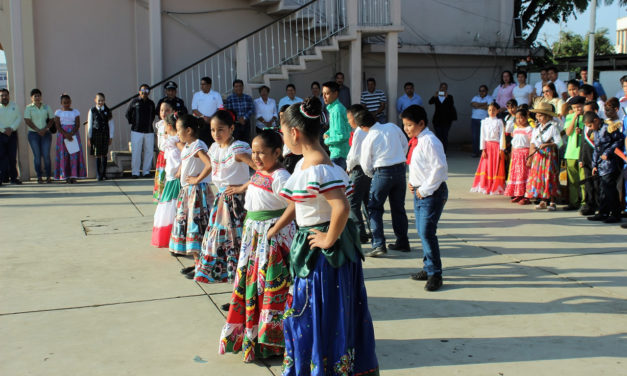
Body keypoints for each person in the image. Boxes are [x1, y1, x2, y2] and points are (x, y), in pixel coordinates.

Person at [269, 97, 379, 376]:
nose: (283, 136)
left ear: (294, 132)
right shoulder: (312, 164)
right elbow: (298, 203)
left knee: (316, 313)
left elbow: (340, 206)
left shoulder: (317, 167)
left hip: (323, 255)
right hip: (321, 248)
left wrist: (329, 239)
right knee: (324, 314)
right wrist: (278, 226)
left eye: (283, 131)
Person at [219, 130, 295, 363]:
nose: (257, 157)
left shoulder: (281, 176)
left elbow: (294, 205)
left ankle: (273, 343)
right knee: (253, 288)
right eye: (254, 152)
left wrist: (274, 229)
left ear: (277, 152)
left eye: (261, 152)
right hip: (255, 239)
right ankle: (255, 337)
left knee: (271, 291)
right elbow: (254, 186)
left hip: (273, 240)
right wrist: (240, 188)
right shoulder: (261, 172)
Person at [195, 110, 256, 284]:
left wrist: (243, 187)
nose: (216, 134)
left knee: (236, 243)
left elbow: (261, 170)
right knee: (221, 242)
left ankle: (240, 289)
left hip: (236, 202)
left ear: (231, 128)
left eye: (220, 129)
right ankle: (233, 286)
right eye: (213, 130)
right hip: (221, 201)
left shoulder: (237, 149)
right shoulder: (215, 147)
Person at [401, 105, 448, 291]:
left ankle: (435, 274)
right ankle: (428, 268)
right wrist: (413, 182)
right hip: (420, 192)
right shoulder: (417, 140)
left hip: (432, 193)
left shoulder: (430, 141)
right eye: (404, 125)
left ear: (421, 123)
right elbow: (419, 167)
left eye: (410, 125)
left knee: (428, 233)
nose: (406, 129)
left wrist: (425, 189)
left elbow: (439, 168)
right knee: (422, 232)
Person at [357, 106, 409, 257]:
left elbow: (365, 163)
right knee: (398, 208)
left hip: (382, 172)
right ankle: (402, 241)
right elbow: (405, 143)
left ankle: (379, 244)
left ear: (363, 127)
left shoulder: (369, 137)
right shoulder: (392, 126)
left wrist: (373, 174)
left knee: (374, 208)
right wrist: (399, 157)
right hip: (400, 170)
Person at [170, 114, 214, 274]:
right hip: (187, 191)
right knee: (190, 227)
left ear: (188, 130)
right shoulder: (189, 145)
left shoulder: (197, 145)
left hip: (195, 193)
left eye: (178, 130)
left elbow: (209, 164)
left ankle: (202, 265)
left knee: (197, 228)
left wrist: (197, 179)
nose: (177, 134)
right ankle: (197, 263)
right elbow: (186, 158)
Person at [588, 100, 625, 223]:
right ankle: (603, 212)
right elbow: (596, 150)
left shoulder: (608, 128)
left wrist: (607, 153)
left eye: (590, 125)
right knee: (602, 189)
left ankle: (615, 214)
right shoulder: (596, 131)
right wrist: (594, 165)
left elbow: (619, 141)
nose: (589, 128)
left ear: (596, 120)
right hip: (601, 164)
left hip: (611, 163)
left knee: (610, 189)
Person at [151, 113, 183, 248]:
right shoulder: (173, 139)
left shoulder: (175, 140)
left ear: (169, 126)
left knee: (172, 208)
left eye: (165, 126)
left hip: (175, 179)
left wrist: (181, 168)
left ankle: (173, 237)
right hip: (172, 177)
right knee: (170, 207)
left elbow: (186, 153)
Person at [525, 102, 563, 211]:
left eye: (541, 115)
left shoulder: (552, 127)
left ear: (548, 116)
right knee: (540, 177)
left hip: (549, 155)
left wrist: (548, 144)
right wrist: (530, 156)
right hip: (538, 155)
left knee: (549, 176)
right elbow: (533, 142)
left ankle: (552, 201)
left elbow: (559, 142)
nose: (538, 117)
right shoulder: (537, 128)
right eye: (537, 115)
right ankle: (543, 200)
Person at [346, 104, 372, 244]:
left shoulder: (359, 132)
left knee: (353, 201)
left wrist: (348, 167)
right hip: (367, 170)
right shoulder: (366, 131)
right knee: (366, 202)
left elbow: (355, 156)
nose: (348, 122)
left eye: (349, 118)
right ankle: (373, 231)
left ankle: (360, 233)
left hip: (359, 169)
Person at [470, 102, 506, 195]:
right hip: (487, 146)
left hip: (496, 146)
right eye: (489, 110)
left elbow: (502, 135)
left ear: (497, 111)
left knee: (496, 165)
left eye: (494, 110)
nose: (491, 111)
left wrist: (502, 149)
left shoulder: (499, 122)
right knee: (486, 166)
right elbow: (482, 136)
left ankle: (495, 185)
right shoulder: (484, 121)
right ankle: (485, 185)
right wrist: (483, 149)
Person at [24, 88, 54, 184]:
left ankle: (48, 176)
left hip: (46, 133)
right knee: (37, 156)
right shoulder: (29, 108)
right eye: (35, 96)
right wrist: (37, 130)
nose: (37, 97)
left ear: (41, 97)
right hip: (33, 134)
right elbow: (27, 120)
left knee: (46, 155)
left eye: (38, 95)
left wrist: (45, 129)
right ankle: (39, 176)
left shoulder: (46, 107)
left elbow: (51, 119)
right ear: (31, 98)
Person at [54, 94, 87, 183]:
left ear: (71, 102)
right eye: (64, 103)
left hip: (74, 135)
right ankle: (66, 176)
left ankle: (74, 176)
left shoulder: (75, 112)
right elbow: (57, 125)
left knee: (74, 155)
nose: (66, 104)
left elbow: (77, 124)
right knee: (64, 155)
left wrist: (71, 134)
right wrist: (65, 134)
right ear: (61, 103)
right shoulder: (58, 113)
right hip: (62, 136)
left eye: (68, 102)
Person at [125, 84, 156, 178]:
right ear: (139, 92)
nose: (144, 93)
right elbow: (127, 114)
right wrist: (133, 122)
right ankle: (135, 172)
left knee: (149, 151)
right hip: (136, 131)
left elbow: (153, 115)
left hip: (149, 131)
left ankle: (146, 171)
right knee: (136, 152)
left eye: (147, 91)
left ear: (149, 92)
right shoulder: (134, 102)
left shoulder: (151, 103)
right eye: (142, 90)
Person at [504, 107, 533, 204]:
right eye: (517, 118)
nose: (519, 120)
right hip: (516, 155)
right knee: (516, 175)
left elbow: (532, 144)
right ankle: (518, 194)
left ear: (526, 117)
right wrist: (512, 155)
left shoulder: (529, 129)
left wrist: (530, 157)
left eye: (521, 118)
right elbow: (513, 144)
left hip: (525, 154)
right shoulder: (516, 130)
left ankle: (526, 196)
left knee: (524, 175)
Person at [562, 96, 586, 211]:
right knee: (572, 180)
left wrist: (581, 131)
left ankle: (584, 202)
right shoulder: (570, 117)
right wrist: (574, 117)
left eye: (579, 107)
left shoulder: (587, 117)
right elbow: (568, 132)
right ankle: (574, 201)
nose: (578, 109)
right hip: (571, 152)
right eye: (575, 107)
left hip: (582, 153)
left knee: (583, 179)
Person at [322, 81, 351, 170]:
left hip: (339, 154)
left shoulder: (337, 110)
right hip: (338, 153)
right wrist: (327, 132)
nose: (324, 97)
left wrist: (327, 140)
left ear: (335, 94)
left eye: (327, 93)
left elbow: (341, 136)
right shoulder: (335, 108)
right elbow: (335, 129)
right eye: (323, 94)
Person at [579, 101, 600, 216]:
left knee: (597, 184)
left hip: (596, 159)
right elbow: (583, 143)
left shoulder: (598, 125)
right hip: (586, 158)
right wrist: (580, 158)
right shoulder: (585, 125)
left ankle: (599, 206)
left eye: (588, 111)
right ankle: (589, 205)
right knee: (588, 183)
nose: (585, 113)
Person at [87, 93, 114, 181]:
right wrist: (90, 137)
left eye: (102, 100)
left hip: (105, 134)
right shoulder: (92, 110)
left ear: (104, 101)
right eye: (99, 100)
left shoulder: (107, 111)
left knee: (104, 154)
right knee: (97, 154)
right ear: (95, 100)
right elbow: (90, 124)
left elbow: (111, 124)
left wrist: (111, 136)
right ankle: (98, 174)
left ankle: (104, 174)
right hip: (96, 135)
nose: (100, 102)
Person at [191, 76, 223, 146]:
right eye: (201, 84)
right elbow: (194, 109)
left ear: (209, 85)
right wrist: (204, 117)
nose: (201, 86)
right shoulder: (197, 95)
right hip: (200, 123)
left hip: (213, 122)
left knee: (213, 142)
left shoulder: (216, 95)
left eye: (204, 84)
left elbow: (220, 108)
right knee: (201, 143)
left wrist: (212, 118)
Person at [0, 89, 22, 185]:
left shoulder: (14, 106)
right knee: (1, 157)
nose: (4, 97)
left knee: (12, 157)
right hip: (1, 134)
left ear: (9, 96)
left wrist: (11, 128)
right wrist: (3, 130)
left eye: (6, 95)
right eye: (2, 95)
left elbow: (19, 118)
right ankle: (2, 178)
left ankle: (14, 178)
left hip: (12, 134)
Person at [428, 82, 457, 153]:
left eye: (445, 88)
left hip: (447, 120)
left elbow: (451, 104)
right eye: (442, 87)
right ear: (439, 88)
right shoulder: (437, 97)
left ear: (446, 89)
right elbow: (430, 102)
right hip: (437, 120)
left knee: (445, 136)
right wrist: (434, 96)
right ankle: (438, 151)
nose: (443, 89)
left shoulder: (450, 97)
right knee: (438, 136)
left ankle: (444, 151)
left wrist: (446, 97)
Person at [153, 102, 173, 200]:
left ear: (172, 111)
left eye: (167, 110)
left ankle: (168, 197)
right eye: (161, 110)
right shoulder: (159, 125)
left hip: (170, 156)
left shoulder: (173, 126)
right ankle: (159, 197)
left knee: (169, 177)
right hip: (161, 154)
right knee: (161, 176)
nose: (164, 112)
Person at [225, 79, 254, 143]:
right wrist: (238, 119)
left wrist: (244, 118)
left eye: (240, 86)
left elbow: (251, 109)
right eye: (236, 86)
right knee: (235, 142)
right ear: (234, 88)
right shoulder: (230, 98)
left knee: (246, 142)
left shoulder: (248, 98)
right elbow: (229, 112)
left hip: (245, 123)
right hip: (235, 124)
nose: (238, 88)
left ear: (243, 87)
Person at [470, 85, 493, 157]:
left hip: (484, 119)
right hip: (474, 119)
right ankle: (475, 152)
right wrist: (484, 104)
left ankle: (482, 152)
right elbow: (473, 104)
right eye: (480, 91)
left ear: (486, 91)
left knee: (483, 136)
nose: (481, 92)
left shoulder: (490, 98)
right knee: (475, 136)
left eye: (483, 91)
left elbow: (489, 107)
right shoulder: (475, 97)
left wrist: (479, 105)